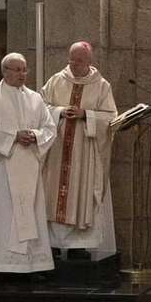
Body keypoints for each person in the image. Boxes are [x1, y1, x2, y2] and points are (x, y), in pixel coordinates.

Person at [0, 53, 56, 278]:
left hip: (29, 164)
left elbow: (49, 128)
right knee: (5, 216)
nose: (22, 74)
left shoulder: (35, 99)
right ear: (5, 71)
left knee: (30, 213)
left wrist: (35, 135)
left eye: (24, 70)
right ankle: (1, 266)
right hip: (4, 167)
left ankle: (31, 265)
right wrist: (13, 137)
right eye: (17, 69)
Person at [42, 40, 118, 263]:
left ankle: (78, 246)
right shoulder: (56, 81)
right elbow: (39, 109)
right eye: (72, 60)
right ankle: (53, 244)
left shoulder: (101, 85)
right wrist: (58, 112)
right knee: (52, 194)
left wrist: (86, 114)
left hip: (84, 153)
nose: (74, 65)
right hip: (57, 151)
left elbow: (111, 118)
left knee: (81, 194)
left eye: (79, 61)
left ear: (89, 62)